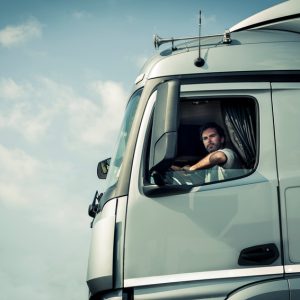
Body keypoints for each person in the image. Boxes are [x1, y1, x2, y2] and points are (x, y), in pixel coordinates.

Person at [172, 122, 244, 183]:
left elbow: (218, 156)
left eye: (212, 136)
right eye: (205, 138)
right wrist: (172, 167)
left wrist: (192, 168)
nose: (209, 141)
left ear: (222, 139)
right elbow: (196, 179)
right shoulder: (209, 164)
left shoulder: (228, 152)